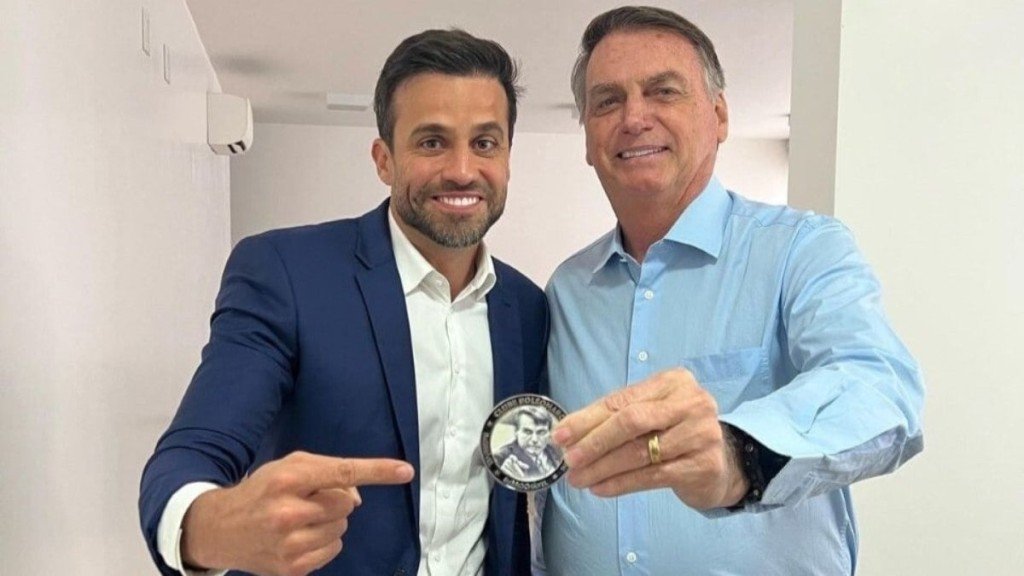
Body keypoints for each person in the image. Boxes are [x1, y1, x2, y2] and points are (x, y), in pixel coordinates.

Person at [138, 29, 547, 576]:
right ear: (384, 160)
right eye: (432, 142)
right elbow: (192, 451)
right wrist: (214, 527)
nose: (462, 169)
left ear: (508, 158)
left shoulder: (527, 307)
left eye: (485, 143)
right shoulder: (286, 273)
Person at [540, 6, 925, 575]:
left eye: (663, 91)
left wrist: (736, 452)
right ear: (588, 140)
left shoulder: (802, 249)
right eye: (607, 101)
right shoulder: (567, 289)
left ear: (718, 116)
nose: (634, 117)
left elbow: (880, 388)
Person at [494, 407, 560, 481]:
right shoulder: (499, 458)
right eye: (527, 432)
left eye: (541, 432)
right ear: (516, 432)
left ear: (549, 433)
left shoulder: (551, 450)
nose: (535, 439)